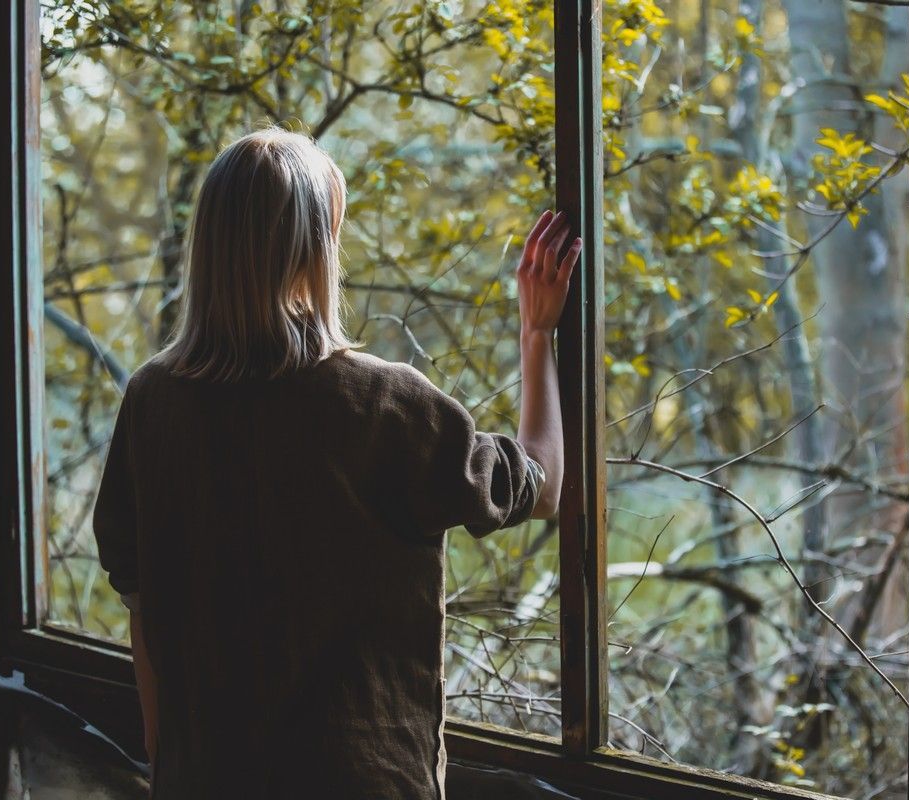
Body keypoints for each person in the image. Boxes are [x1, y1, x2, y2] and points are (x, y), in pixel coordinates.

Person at [93, 126, 581, 798]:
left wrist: (168, 763)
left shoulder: (154, 399)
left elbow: (139, 596)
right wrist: (536, 334)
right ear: (313, 252)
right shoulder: (383, 404)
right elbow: (543, 484)